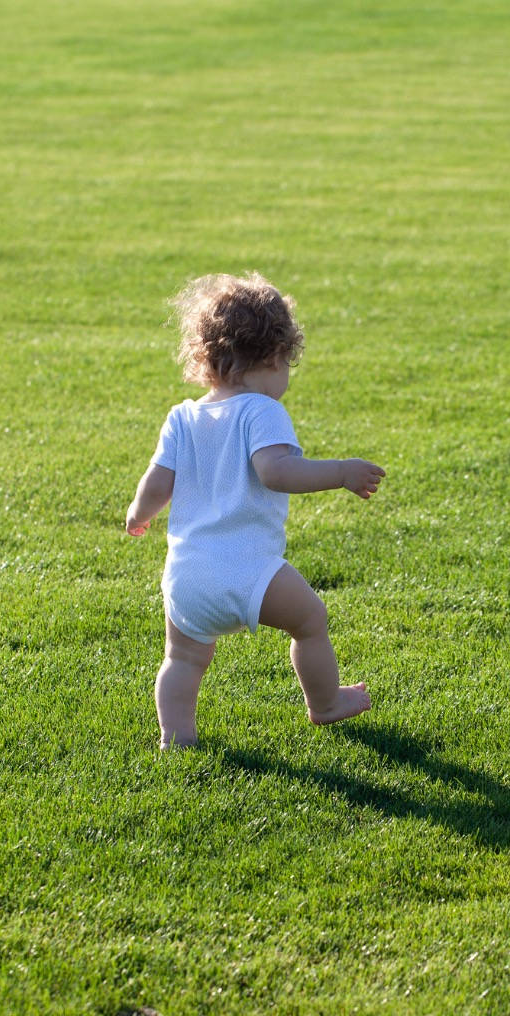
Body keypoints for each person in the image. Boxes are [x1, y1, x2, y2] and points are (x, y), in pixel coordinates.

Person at [126, 272, 386, 749]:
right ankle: (326, 703)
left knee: (181, 659)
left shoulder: (181, 416)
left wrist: (139, 514)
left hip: (186, 575)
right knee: (311, 622)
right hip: (249, 570)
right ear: (271, 357)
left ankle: (176, 738)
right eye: (286, 363)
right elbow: (277, 472)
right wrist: (342, 472)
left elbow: (157, 482)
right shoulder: (261, 410)